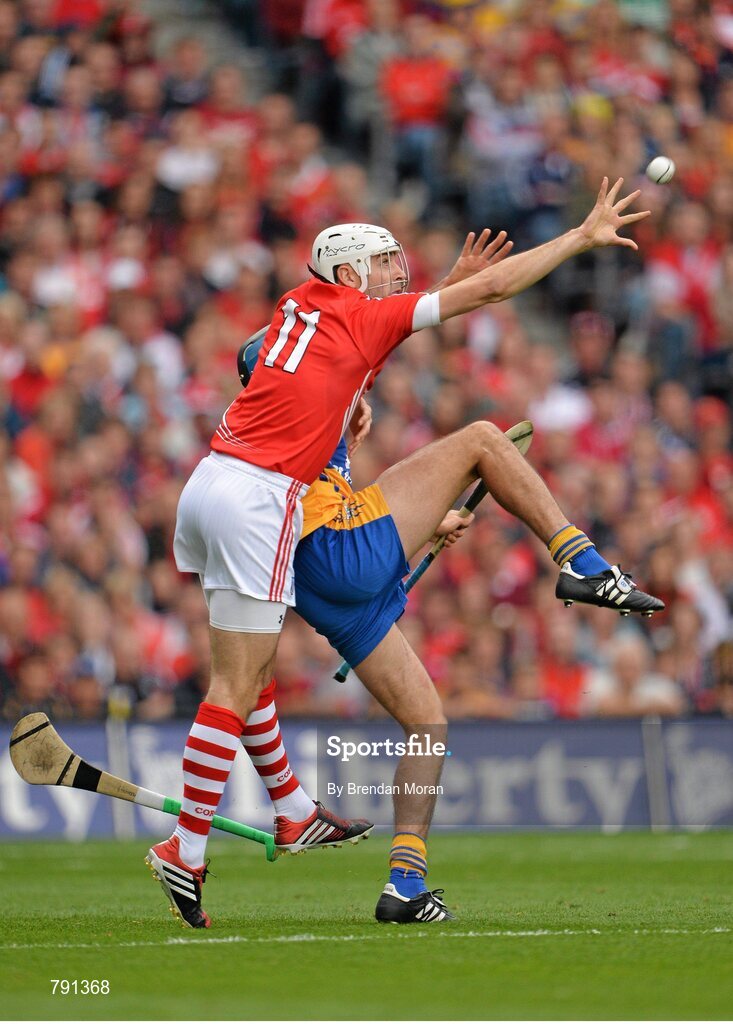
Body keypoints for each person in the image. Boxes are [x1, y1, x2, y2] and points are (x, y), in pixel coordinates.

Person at [146, 177, 657, 929]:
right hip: (290, 520)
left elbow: (356, 349)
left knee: (410, 715)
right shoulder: (341, 328)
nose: (397, 271)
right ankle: (583, 564)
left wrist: (419, 517)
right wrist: (579, 238)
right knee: (482, 437)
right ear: (348, 275)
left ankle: (392, 875)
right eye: (383, 262)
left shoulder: (303, 322)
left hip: (225, 494)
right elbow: (484, 296)